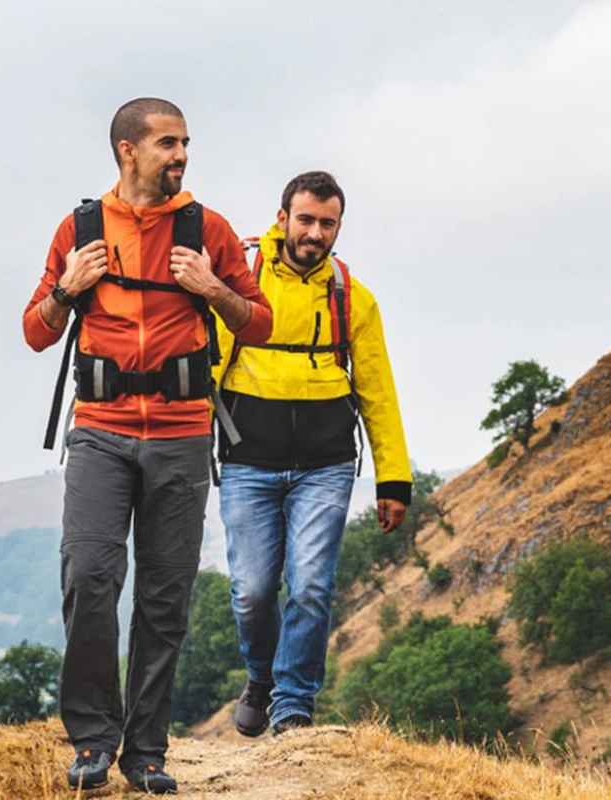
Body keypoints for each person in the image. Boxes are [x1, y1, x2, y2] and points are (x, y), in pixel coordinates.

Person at [21, 97, 273, 793]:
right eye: (168, 142)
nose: (182, 155)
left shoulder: (208, 229)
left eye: (186, 142)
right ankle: (94, 742)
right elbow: (35, 331)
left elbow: (259, 324)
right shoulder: (80, 229)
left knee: (166, 600)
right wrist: (69, 289)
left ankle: (147, 753)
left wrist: (213, 286)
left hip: (184, 433)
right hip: (100, 433)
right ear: (128, 150)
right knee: (89, 580)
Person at [213, 170, 412, 737]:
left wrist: (393, 480)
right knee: (252, 591)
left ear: (339, 228)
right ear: (282, 219)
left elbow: (378, 392)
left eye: (328, 224)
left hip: (325, 468)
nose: (315, 233)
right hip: (247, 460)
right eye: (306, 220)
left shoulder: (355, 298)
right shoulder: (240, 279)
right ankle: (262, 676)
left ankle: (293, 706)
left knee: (311, 586)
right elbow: (208, 365)